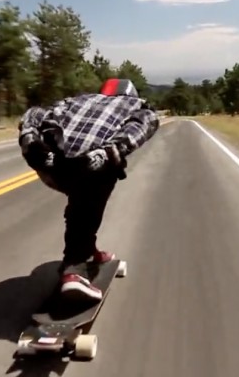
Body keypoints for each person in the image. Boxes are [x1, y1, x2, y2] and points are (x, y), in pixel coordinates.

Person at [17, 78, 160, 301]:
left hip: (50, 161)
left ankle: (89, 248)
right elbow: (141, 126)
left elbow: (37, 112)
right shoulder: (137, 105)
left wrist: (30, 134)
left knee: (79, 201)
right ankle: (74, 270)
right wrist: (112, 150)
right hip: (88, 164)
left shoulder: (77, 99)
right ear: (130, 94)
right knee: (96, 187)